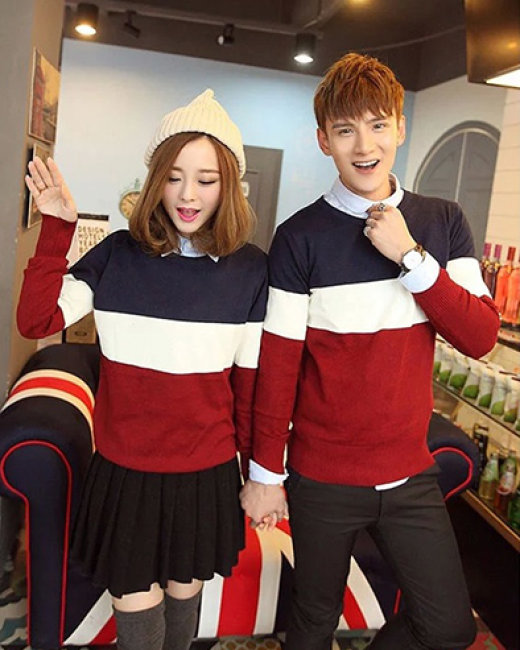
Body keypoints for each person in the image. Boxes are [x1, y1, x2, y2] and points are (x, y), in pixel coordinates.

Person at [240, 53, 500, 650]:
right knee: (312, 623)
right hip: (321, 477)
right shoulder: (298, 237)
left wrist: (410, 257)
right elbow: (278, 365)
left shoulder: (442, 222)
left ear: (400, 128)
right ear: (323, 140)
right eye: (345, 130)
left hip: (409, 473)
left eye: (378, 125)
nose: (364, 145)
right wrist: (265, 474)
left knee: (449, 626)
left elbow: (480, 336)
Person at [18, 89, 267, 650]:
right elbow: (36, 319)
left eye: (206, 179)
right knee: (137, 610)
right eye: (174, 176)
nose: (188, 194)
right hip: (124, 469)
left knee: (183, 603)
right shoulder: (116, 255)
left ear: (230, 185)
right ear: (155, 179)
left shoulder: (251, 271)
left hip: (205, 473)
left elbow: (250, 389)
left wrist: (261, 476)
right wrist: (57, 228)